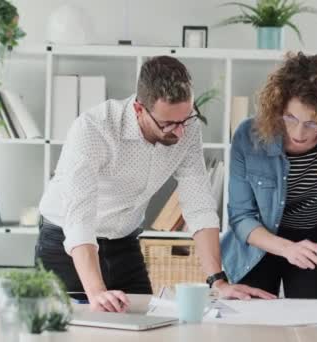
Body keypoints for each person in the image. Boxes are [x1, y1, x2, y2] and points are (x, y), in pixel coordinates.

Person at [37, 56, 275, 313]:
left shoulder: (187, 127)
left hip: (123, 242)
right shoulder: (95, 128)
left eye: (185, 119)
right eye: (168, 124)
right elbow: (79, 218)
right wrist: (96, 292)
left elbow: (199, 204)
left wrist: (218, 281)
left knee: (146, 326)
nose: (180, 131)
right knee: (69, 330)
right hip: (67, 244)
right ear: (140, 109)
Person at [221, 52, 317, 302]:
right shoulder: (248, 137)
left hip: (314, 243)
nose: (299, 132)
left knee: (312, 321)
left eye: (313, 123)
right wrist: (287, 248)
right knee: (252, 320)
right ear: (278, 107)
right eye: (291, 118)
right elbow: (241, 217)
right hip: (260, 242)